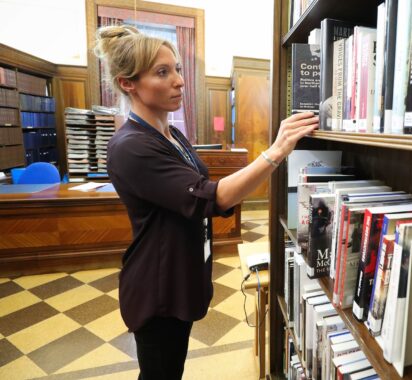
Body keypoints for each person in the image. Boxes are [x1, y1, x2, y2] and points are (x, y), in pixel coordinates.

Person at [94, 25, 318, 379]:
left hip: (181, 273)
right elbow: (211, 197)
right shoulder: (132, 146)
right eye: (162, 72)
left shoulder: (170, 133)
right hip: (158, 285)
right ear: (128, 83)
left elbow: (202, 189)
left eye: (178, 69)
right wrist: (276, 151)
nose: (179, 81)